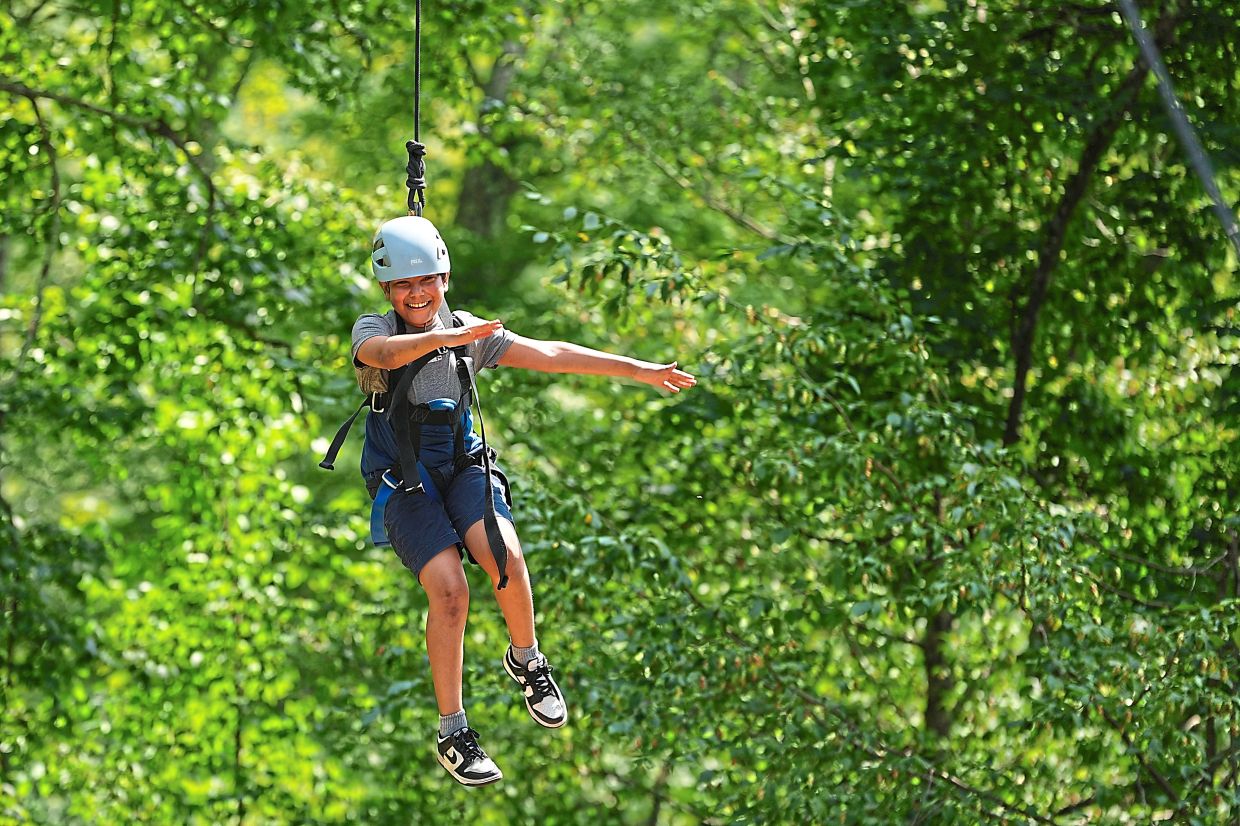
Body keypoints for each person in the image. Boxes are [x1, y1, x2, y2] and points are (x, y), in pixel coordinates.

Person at [349, 215, 697, 786]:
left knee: (504, 555)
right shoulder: (375, 328)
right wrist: (445, 338)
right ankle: (453, 731)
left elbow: (553, 354)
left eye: (428, 281)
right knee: (450, 590)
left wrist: (639, 370)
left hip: (461, 465)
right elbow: (382, 356)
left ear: (444, 278)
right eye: (405, 286)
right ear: (388, 290)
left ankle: (528, 659)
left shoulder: (470, 334)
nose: (418, 294)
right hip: (403, 478)